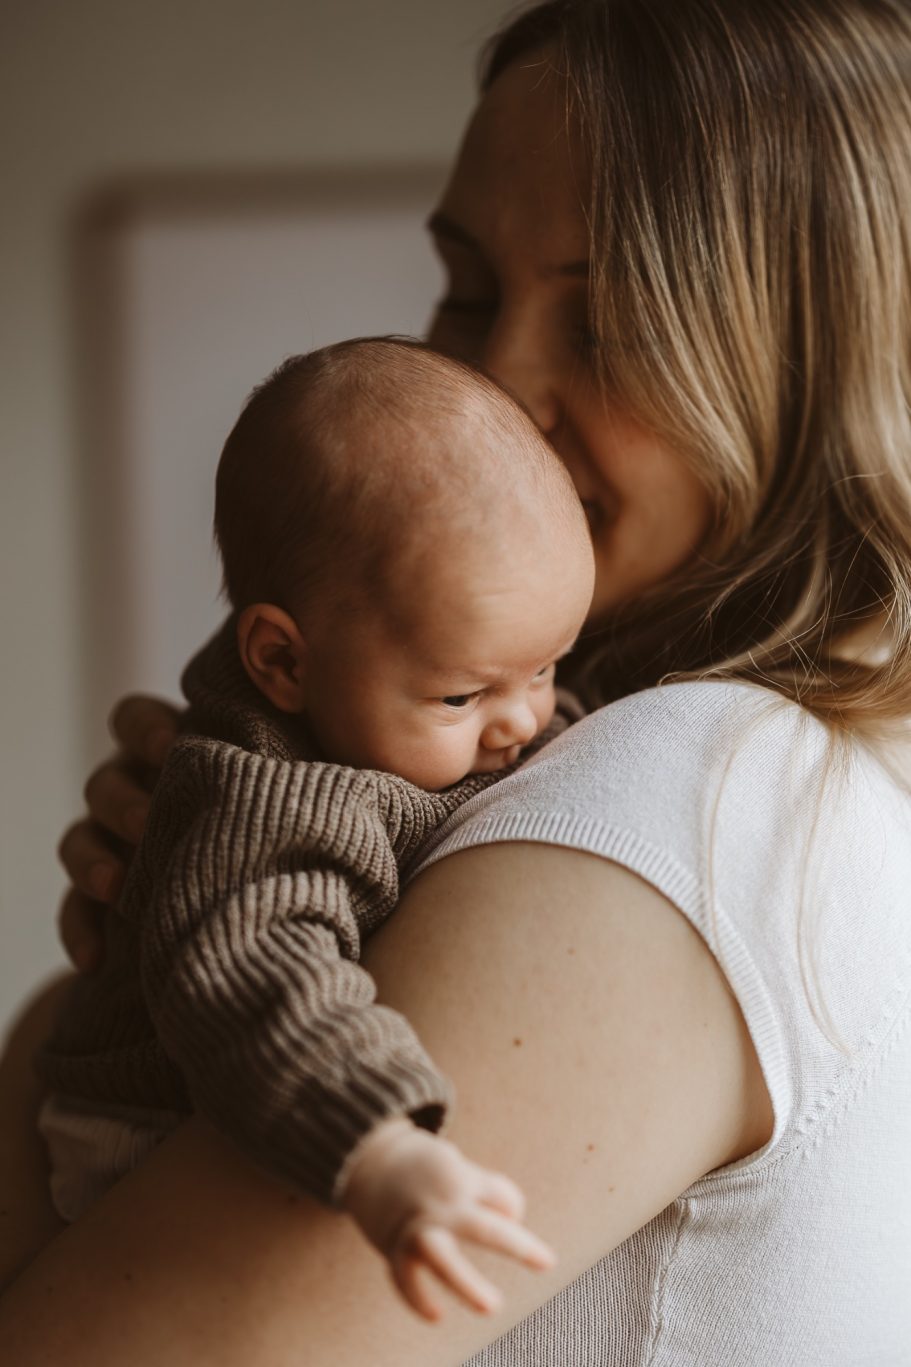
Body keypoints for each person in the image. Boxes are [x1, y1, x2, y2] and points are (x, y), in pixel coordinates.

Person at [2, 0, 910, 1362]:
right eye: (468, 291)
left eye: (606, 323)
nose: (491, 379)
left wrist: (99, 1008)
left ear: (812, 362)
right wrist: (160, 916)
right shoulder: (799, 754)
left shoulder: (696, 788)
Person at [37, 336, 592, 1316]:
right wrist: (378, 1148)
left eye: (545, 668)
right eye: (462, 694)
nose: (522, 721)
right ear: (284, 663)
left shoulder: (421, 685)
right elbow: (250, 971)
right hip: (150, 1133)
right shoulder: (266, 797)